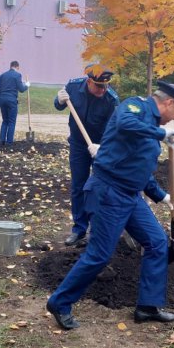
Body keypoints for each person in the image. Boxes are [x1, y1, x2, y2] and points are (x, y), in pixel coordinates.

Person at [45, 82, 174, 330]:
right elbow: (126, 124)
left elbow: (138, 169)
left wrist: (162, 196)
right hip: (108, 192)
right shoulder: (134, 106)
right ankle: (60, 302)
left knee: (156, 242)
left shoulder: (152, 127)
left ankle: (148, 306)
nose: (173, 120)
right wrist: (161, 134)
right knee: (99, 255)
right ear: (169, 103)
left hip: (130, 195)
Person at [53, 64, 119, 246]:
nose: (103, 89)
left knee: (99, 187)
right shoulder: (73, 87)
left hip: (100, 146)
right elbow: (59, 105)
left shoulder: (111, 99)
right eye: (99, 86)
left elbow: (113, 130)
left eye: (106, 86)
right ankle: (79, 229)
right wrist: (58, 100)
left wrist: (102, 147)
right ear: (89, 81)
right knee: (78, 186)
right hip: (78, 144)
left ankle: (97, 232)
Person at [0, 61, 30, 145]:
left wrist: (0, 98)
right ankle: (9, 142)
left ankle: (2, 141)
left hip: (2, 99)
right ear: (17, 67)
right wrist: (27, 85)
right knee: (12, 122)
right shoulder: (17, 75)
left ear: (10, 66)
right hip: (11, 100)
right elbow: (21, 89)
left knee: (5, 121)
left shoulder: (2, 75)